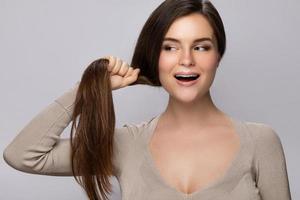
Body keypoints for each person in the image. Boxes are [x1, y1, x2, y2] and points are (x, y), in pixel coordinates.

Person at [3, 0, 292, 200]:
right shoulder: (125, 145)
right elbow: (24, 156)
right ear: (155, 56)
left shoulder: (260, 142)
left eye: (201, 47)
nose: (187, 60)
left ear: (218, 56)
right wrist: (89, 89)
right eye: (170, 47)